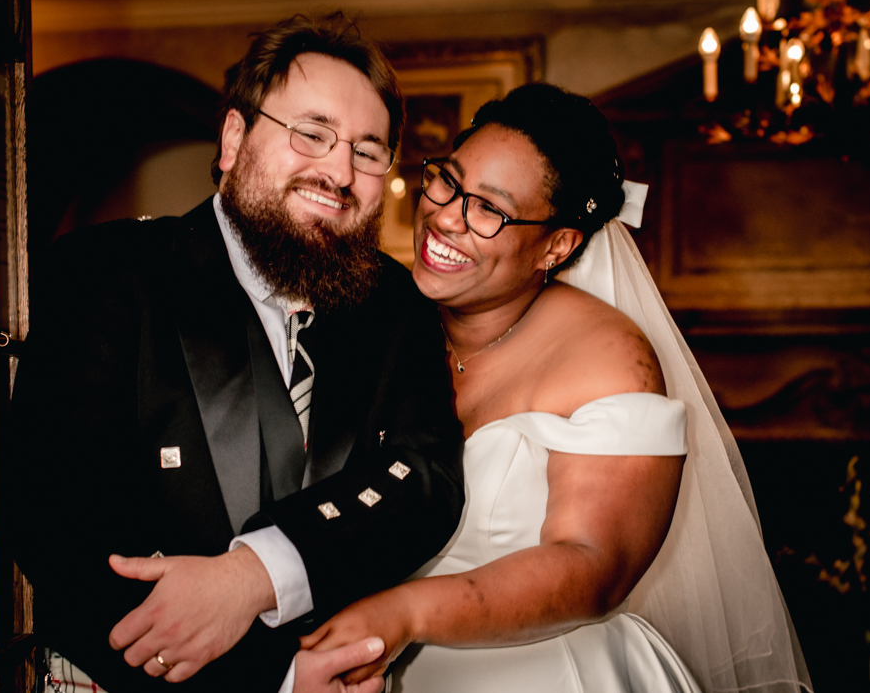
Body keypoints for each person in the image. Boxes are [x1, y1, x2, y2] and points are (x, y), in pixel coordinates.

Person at [297, 84, 813, 693]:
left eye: (489, 210)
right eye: (447, 182)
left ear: (558, 245)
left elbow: (594, 565)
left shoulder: (610, 359)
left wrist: (402, 614)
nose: (446, 217)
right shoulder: (376, 321)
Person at [3, 14, 464, 693]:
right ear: (232, 139)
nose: (339, 171)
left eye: (368, 151)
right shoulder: (103, 272)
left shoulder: (398, 302)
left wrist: (255, 574)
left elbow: (426, 480)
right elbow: (57, 524)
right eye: (311, 133)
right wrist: (279, 677)